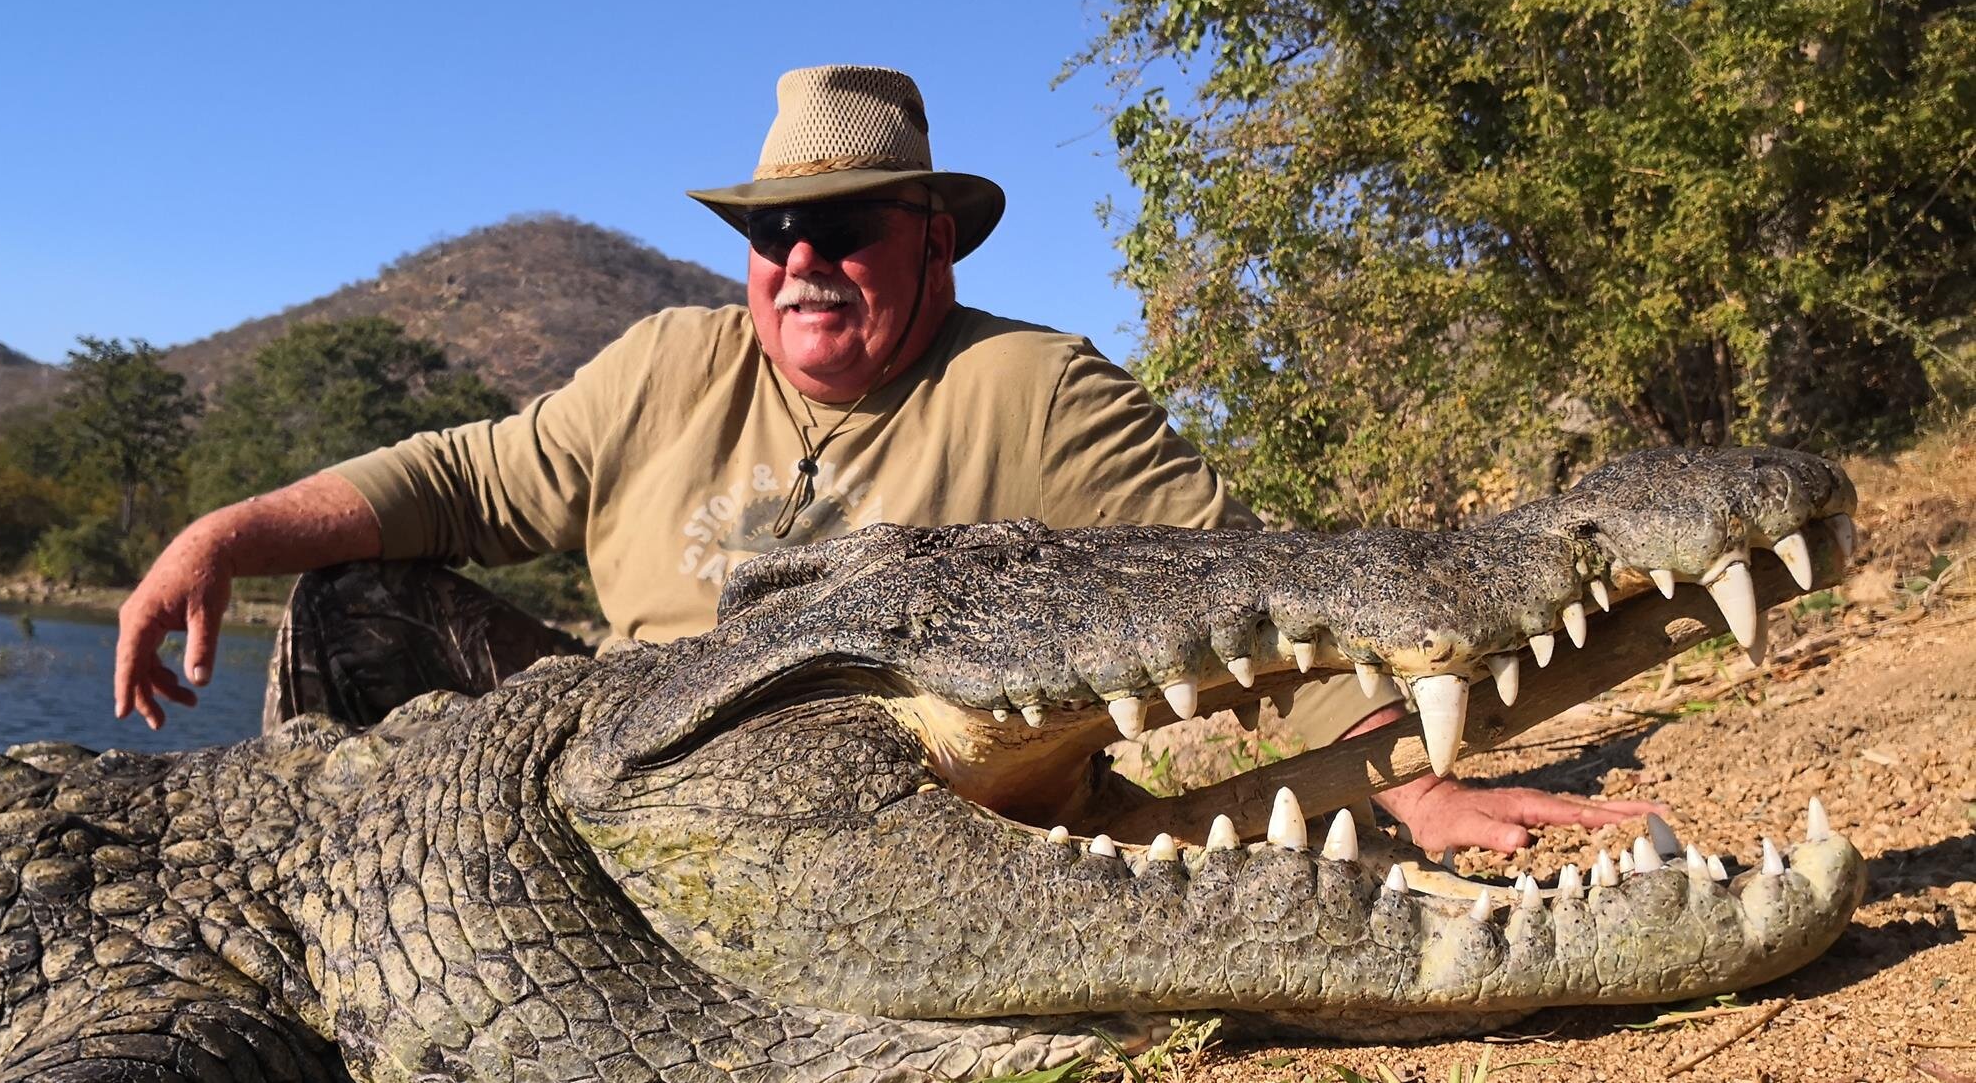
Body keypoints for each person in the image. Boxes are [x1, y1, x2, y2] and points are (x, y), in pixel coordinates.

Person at [114, 65, 1648, 854]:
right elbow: (462, 478)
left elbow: (1266, 604)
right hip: (634, 788)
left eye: (841, 228)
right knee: (342, 610)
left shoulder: (1034, 389)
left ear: (935, 242)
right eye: (772, 232)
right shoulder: (661, 360)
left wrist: (1398, 782)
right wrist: (221, 535)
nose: (800, 261)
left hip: (887, 818)